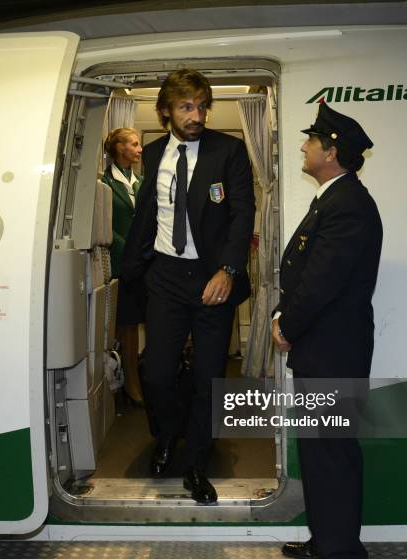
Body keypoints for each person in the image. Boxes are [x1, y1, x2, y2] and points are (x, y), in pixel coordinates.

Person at [121, 69, 255, 503]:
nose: (196, 115)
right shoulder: (155, 152)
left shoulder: (229, 152)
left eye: (201, 106)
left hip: (212, 278)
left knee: (208, 377)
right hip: (165, 276)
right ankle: (165, 437)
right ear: (165, 111)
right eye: (186, 107)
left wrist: (228, 271)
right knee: (157, 373)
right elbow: (148, 214)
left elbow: (242, 215)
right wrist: (132, 269)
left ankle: (197, 461)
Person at [271, 102, 382, 559]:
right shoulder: (332, 198)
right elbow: (301, 273)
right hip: (323, 347)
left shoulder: (348, 205)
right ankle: (326, 539)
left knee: (331, 453)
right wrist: (282, 313)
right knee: (318, 451)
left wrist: (286, 325)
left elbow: (320, 283)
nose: (303, 145)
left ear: (331, 151)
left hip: (332, 349)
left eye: (310, 140)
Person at [102, 128, 144, 406]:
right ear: (119, 148)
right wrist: (130, 249)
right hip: (122, 264)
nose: (140, 149)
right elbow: (106, 225)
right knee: (127, 326)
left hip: (147, 263)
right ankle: (130, 382)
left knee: (154, 321)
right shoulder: (104, 184)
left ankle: (149, 376)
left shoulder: (141, 182)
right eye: (135, 144)